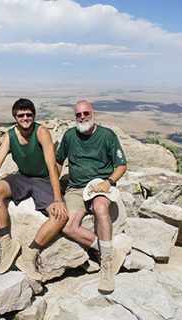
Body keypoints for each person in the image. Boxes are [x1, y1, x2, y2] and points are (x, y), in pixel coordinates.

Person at [0, 98, 68, 281]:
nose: (25, 118)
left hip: (43, 180)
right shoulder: (10, 136)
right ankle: (7, 245)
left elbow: (51, 165)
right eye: (21, 115)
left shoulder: (41, 132)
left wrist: (58, 198)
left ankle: (29, 254)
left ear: (34, 116)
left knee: (60, 216)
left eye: (28, 115)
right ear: (14, 117)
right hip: (22, 177)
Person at [56, 100, 127, 294]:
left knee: (100, 208)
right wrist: (53, 184)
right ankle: (106, 250)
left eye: (86, 113)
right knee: (68, 226)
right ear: (75, 117)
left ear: (93, 114)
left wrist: (109, 182)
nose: (82, 117)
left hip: (100, 185)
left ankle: (106, 265)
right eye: (78, 114)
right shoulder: (70, 136)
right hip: (77, 187)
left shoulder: (107, 135)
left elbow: (121, 166)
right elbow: (58, 161)